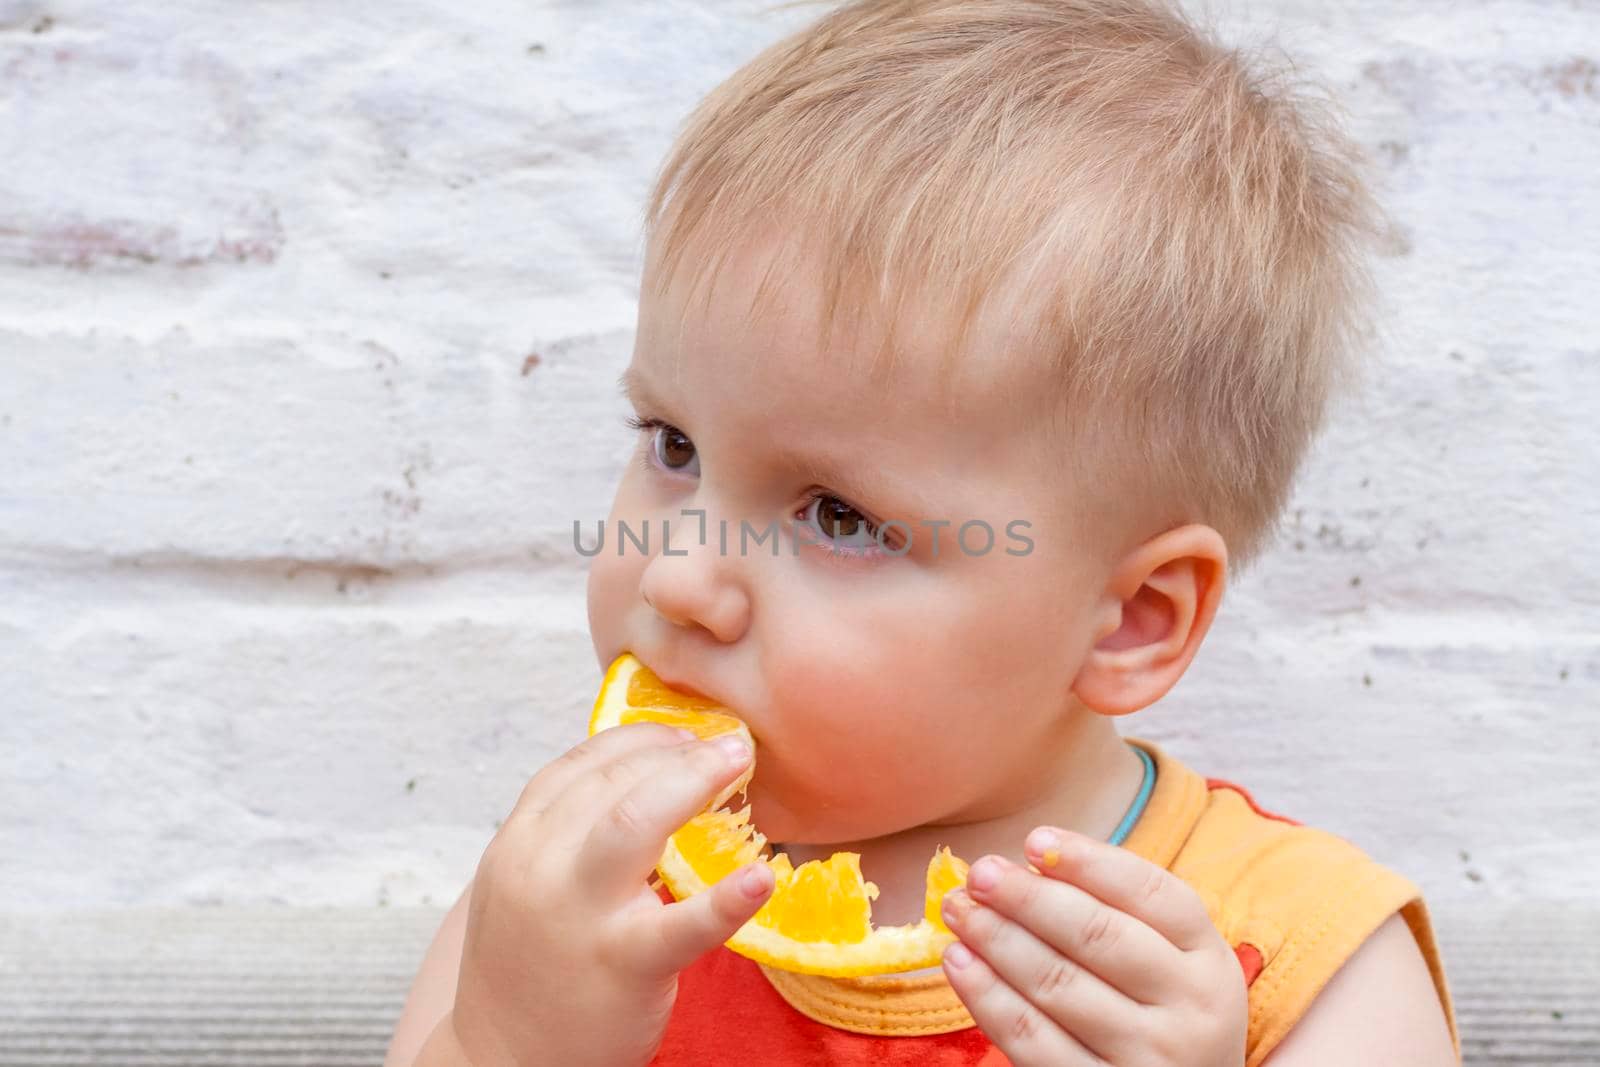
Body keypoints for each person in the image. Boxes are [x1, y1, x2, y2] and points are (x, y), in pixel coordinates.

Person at [386, 1, 1462, 1063]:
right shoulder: (570, 895)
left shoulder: (1292, 963)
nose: (676, 576)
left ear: (1130, 618)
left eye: (838, 515)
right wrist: (509, 1040)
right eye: (673, 444)